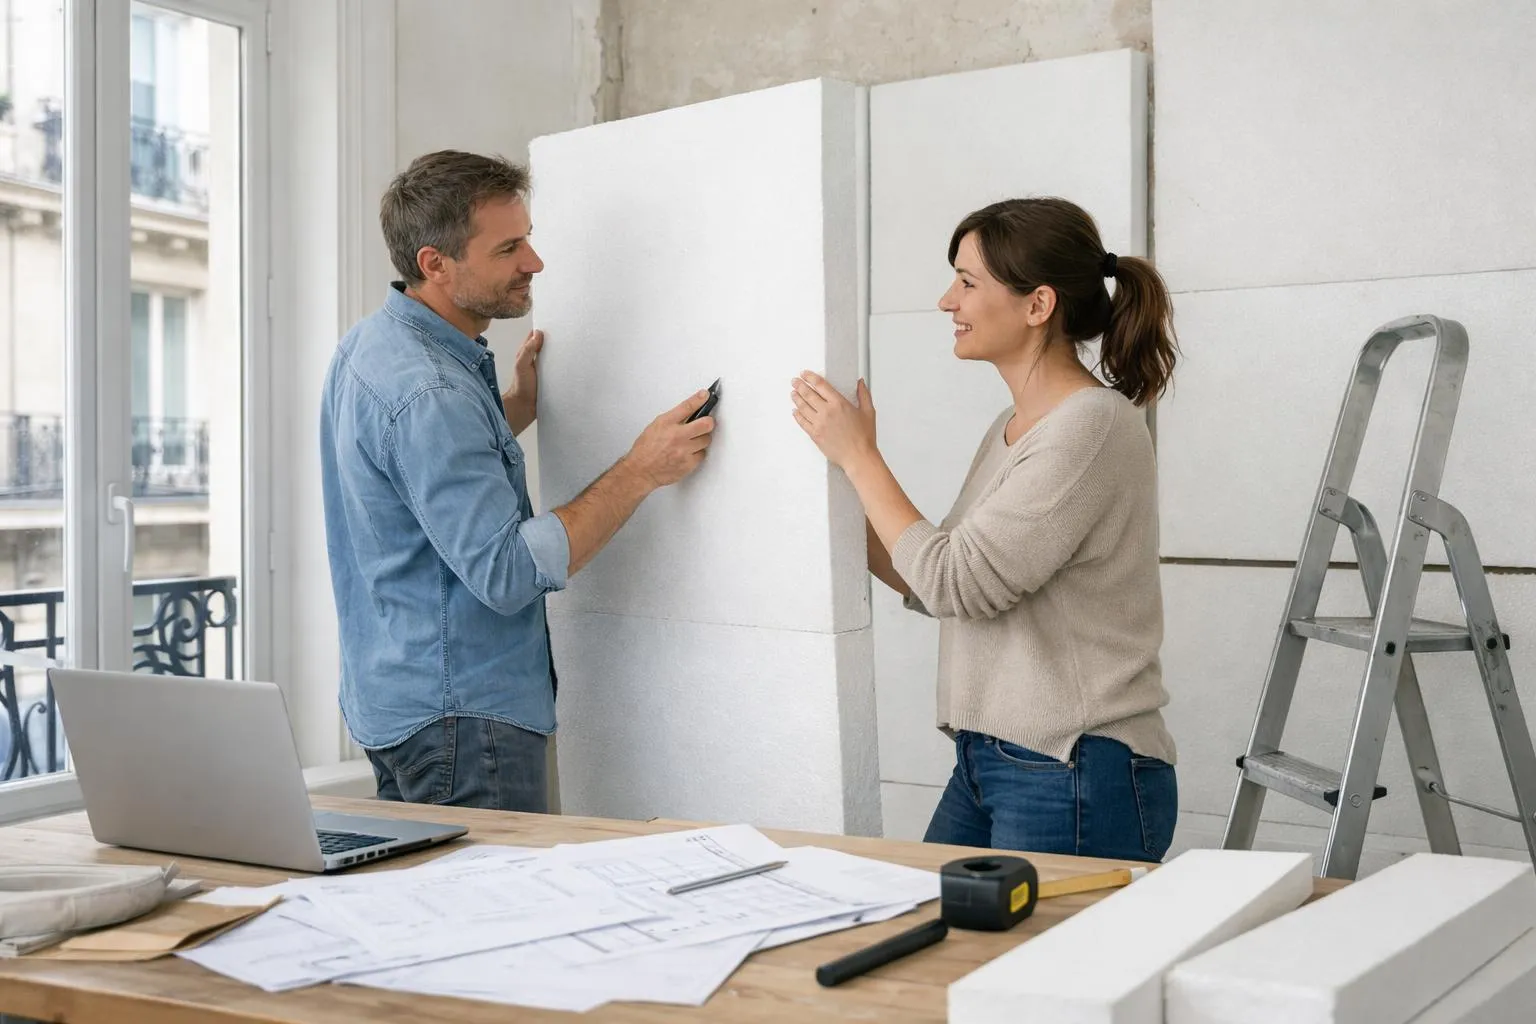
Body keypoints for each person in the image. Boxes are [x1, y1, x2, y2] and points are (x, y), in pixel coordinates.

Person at [321, 150, 715, 811]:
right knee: (494, 913)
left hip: (398, 703)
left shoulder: (372, 346)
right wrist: (642, 469)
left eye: (527, 238)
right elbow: (504, 573)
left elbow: (406, 473)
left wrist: (511, 413)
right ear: (435, 265)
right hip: (463, 725)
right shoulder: (431, 392)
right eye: (509, 247)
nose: (534, 262)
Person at [791, 197, 1179, 861]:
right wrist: (830, 492)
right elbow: (932, 573)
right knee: (946, 951)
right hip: (997, 761)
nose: (948, 301)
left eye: (968, 282)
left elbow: (954, 582)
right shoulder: (1015, 430)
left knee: (1028, 966)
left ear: (1038, 306)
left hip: (1072, 766)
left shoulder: (1089, 428)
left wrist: (862, 457)